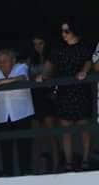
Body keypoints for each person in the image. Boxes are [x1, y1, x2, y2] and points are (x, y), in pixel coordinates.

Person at [53, 20, 93, 171]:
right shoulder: (60, 49)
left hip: (81, 91)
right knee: (66, 129)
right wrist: (43, 76)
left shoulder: (84, 47)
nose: (63, 34)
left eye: (66, 31)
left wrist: (84, 71)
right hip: (64, 92)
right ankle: (68, 163)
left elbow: (89, 62)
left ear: (74, 31)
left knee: (84, 127)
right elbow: (51, 65)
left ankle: (86, 161)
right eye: (62, 31)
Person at [29, 35, 59, 172]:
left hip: (48, 97)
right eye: (35, 44)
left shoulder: (52, 57)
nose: (38, 47)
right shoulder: (31, 60)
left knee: (52, 134)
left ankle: (56, 167)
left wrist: (42, 77)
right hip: (34, 98)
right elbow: (27, 77)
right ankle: (38, 169)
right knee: (37, 137)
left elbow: (48, 74)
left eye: (40, 43)